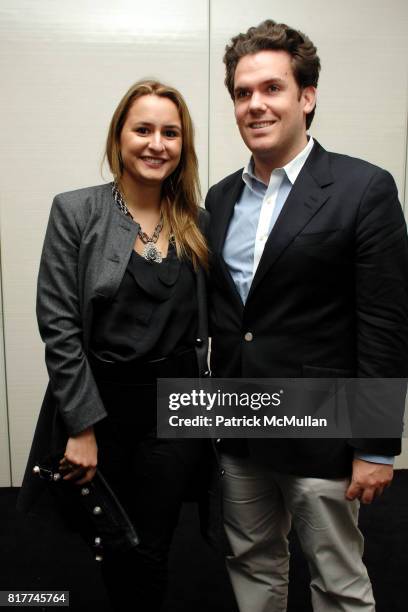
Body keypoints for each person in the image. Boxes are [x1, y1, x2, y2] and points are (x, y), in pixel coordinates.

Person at [205, 19, 408, 612]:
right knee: (251, 566)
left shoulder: (363, 187)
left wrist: (375, 446)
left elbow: (386, 324)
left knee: (338, 583)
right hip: (238, 428)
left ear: (306, 97)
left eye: (271, 88)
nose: (255, 105)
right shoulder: (220, 199)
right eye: (243, 93)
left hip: (323, 431)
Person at [17, 79, 210, 611]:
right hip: (103, 410)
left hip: (176, 411)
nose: (156, 143)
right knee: (114, 546)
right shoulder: (77, 211)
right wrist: (81, 425)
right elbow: (57, 324)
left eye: (170, 133)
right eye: (142, 129)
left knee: (154, 545)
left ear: (183, 144)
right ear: (118, 137)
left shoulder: (196, 222)